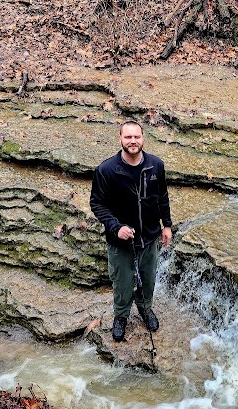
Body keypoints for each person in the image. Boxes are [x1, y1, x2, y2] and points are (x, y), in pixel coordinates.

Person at [90, 121, 172, 341]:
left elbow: (162, 197)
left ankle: (145, 308)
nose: (133, 141)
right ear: (120, 139)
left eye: (136, 137)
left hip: (151, 236)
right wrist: (116, 228)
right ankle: (121, 316)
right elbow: (97, 204)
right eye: (128, 137)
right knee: (122, 281)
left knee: (148, 277)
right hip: (120, 241)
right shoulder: (106, 170)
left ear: (143, 137)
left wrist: (167, 225)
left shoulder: (156, 165)